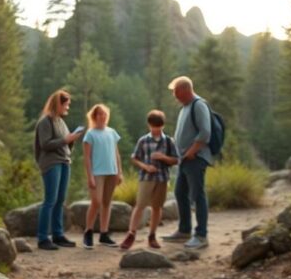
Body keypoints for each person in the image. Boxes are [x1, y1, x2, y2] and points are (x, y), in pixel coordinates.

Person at [162, 76, 212, 249]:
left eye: (176, 93)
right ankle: (184, 230)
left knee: (197, 195)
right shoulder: (185, 107)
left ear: (185, 89)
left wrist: (191, 152)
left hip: (195, 158)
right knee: (180, 193)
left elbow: (205, 133)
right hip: (185, 159)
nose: (175, 97)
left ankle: (201, 235)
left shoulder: (199, 105)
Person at [34, 90, 85, 250]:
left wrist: (71, 139)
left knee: (60, 200)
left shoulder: (60, 122)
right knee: (50, 200)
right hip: (51, 163)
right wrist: (65, 139)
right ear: (59, 104)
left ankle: (58, 235)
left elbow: (64, 144)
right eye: (66, 104)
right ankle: (43, 238)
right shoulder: (45, 122)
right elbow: (46, 144)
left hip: (64, 161)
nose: (67, 107)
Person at [121, 110, 179, 250]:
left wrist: (163, 157)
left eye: (158, 127)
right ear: (149, 125)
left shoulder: (168, 141)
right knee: (140, 205)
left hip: (162, 178)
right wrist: (145, 166)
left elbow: (176, 160)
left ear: (162, 126)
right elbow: (134, 158)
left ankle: (152, 235)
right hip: (146, 177)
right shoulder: (143, 140)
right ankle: (131, 233)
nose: (156, 129)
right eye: (154, 126)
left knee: (157, 207)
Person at [82, 104, 122, 249]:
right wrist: (90, 176)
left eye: (104, 114)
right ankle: (88, 232)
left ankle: (104, 234)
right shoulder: (90, 134)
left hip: (111, 171)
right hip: (97, 173)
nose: (102, 117)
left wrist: (119, 172)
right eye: (99, 114)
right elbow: (86, 157)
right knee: (96, 202)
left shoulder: (112, 132)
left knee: (107, 202)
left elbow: (116, 154)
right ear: (94, 117)